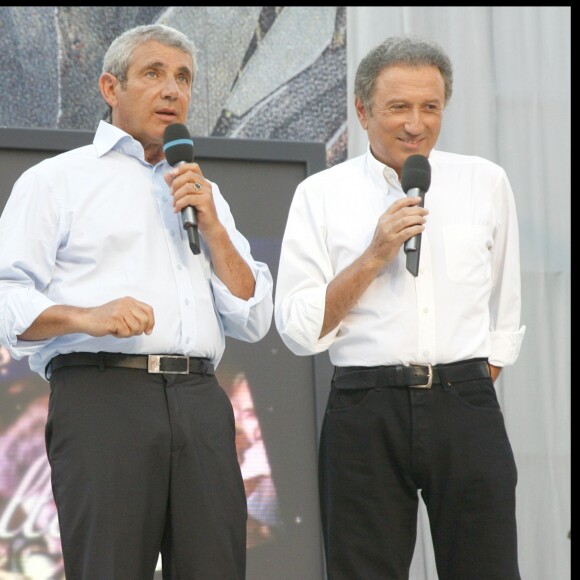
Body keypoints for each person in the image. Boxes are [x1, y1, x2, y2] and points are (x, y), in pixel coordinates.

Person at [0, 23, 274, 580]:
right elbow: (6, 296)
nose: (173, 90)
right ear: (109, 87)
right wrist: (87, 317)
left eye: (183, 78)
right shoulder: (56, 181)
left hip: (200, 401)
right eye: (153, 74)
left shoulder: (204, 191)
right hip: (104, 398)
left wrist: (215, 229)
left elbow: (254, 315)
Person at [274, 33, 526, 580]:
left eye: (430, 107)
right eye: (399, 107)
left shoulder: (485, 181)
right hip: (364, 406)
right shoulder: (320, 195)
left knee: (488, 568)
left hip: (465, 400)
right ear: (363, 111)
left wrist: (471, 383)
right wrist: (375, 254)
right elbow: (298, 328)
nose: (417, 123)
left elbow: (505, 309)